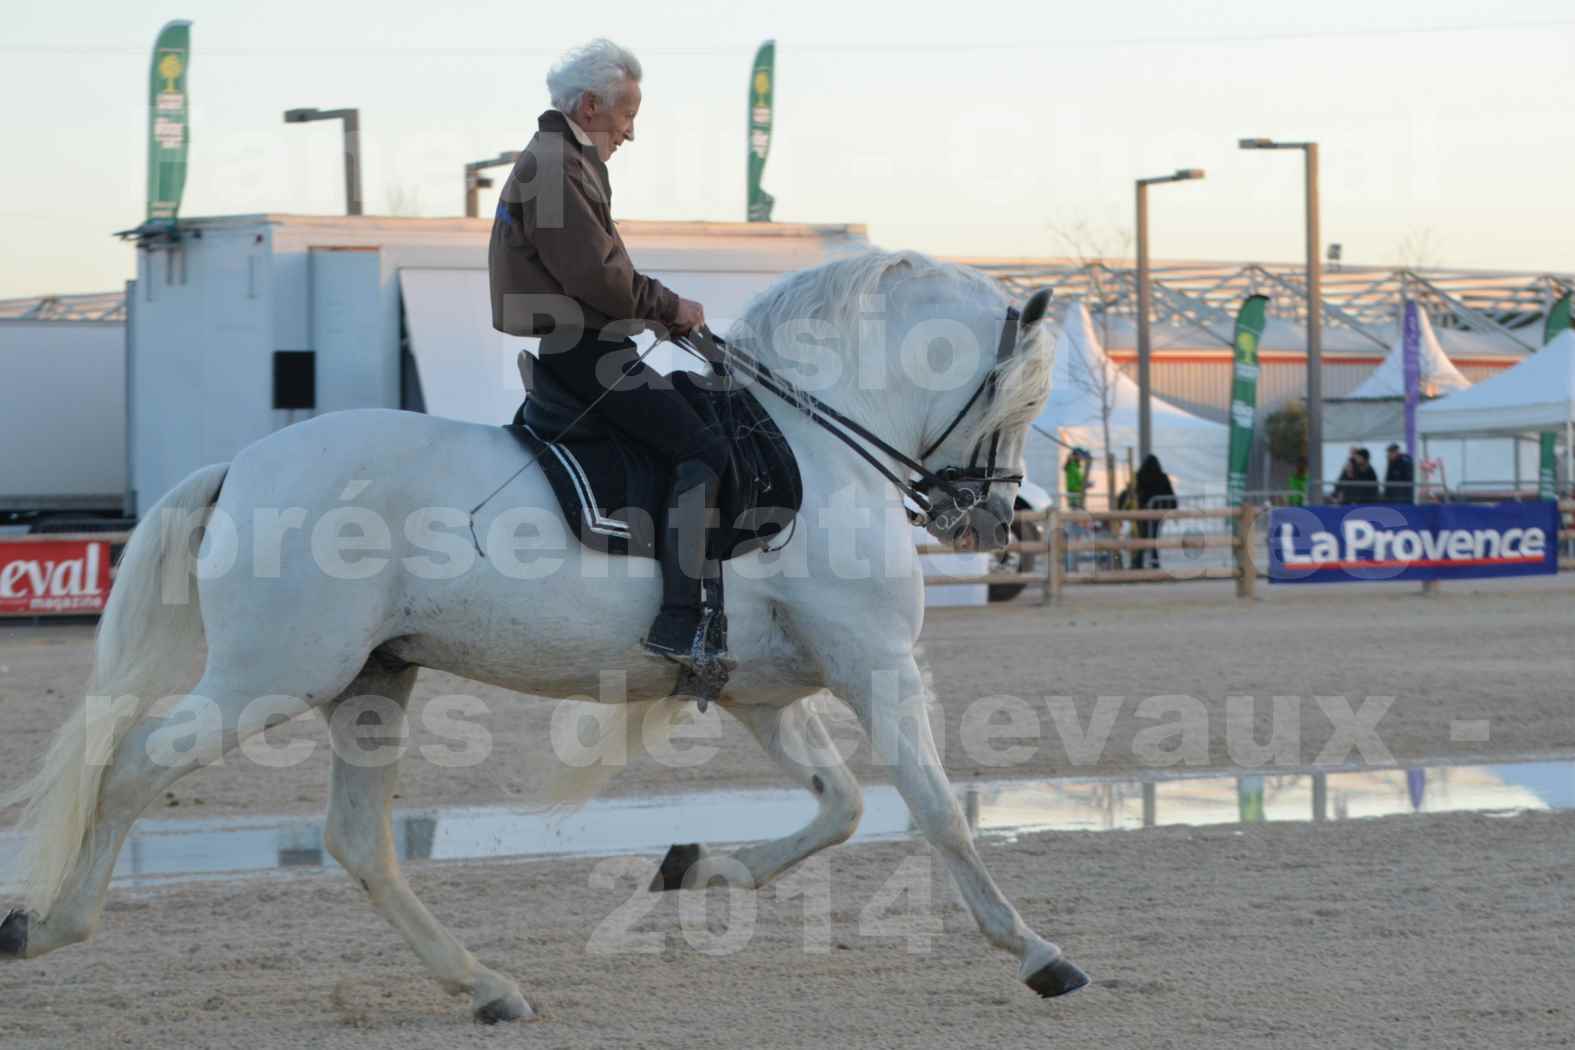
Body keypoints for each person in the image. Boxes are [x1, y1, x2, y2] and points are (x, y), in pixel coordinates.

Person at [488, 39, 727, 685]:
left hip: (594, 345)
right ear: (591, 105)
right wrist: (669, 304)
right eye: (626, 114)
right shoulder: (555, 164)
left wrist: (658, 311)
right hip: (586, 353)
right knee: (704, 452)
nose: (631, 131)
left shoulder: (565, 160)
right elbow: (599, 278)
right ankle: (682, 621)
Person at [1133, 454, 1175, 570]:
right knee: (1153, 538)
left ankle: (1138, 563)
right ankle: (1154, 563)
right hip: (1158, 514)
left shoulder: (1140, 476)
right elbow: (1171, 496)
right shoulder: (1162, 477)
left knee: (1143, 537)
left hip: (1144, 513)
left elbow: (1138, 494)